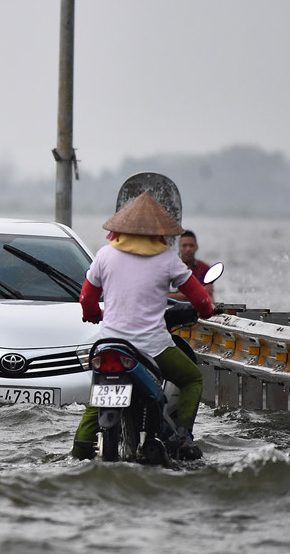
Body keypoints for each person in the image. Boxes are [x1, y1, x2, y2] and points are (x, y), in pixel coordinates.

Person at [71, 192, 214, 461]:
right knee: (192, 377)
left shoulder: (104, 255)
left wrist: (95, 315)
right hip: (153, 347)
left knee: (95, 401)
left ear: (120, 228)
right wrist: (206, 311)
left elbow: (87, 299)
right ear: (159, 233)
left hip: (110, 344)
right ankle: (182, 437)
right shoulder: (168, 259)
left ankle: (78, 451)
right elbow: (201, 299)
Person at [169, 230, 214, 299]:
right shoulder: (171, 268)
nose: (188, 249)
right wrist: (200, 291)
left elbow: (209, 295)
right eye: (184, 246)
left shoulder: (204, 268)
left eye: (191, 245)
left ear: (196, 247)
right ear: (178, 248)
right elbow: (164, 296)